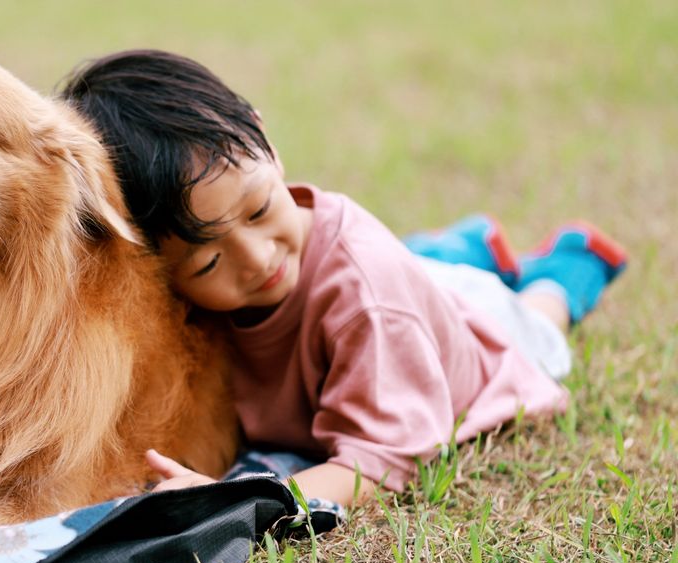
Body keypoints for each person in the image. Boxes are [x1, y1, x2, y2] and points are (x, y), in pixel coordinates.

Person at [60, 49, 627, 508]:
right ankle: (466, 247)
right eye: (207, 263)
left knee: (534, 325)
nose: (256, 259)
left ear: (266, 140)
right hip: (410, 287)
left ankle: (568, 264)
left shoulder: (367, 300)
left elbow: (380, 465)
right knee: (425, 268)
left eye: (259, 209)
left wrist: (235, 501)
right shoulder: (185, 285)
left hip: (473, 338)